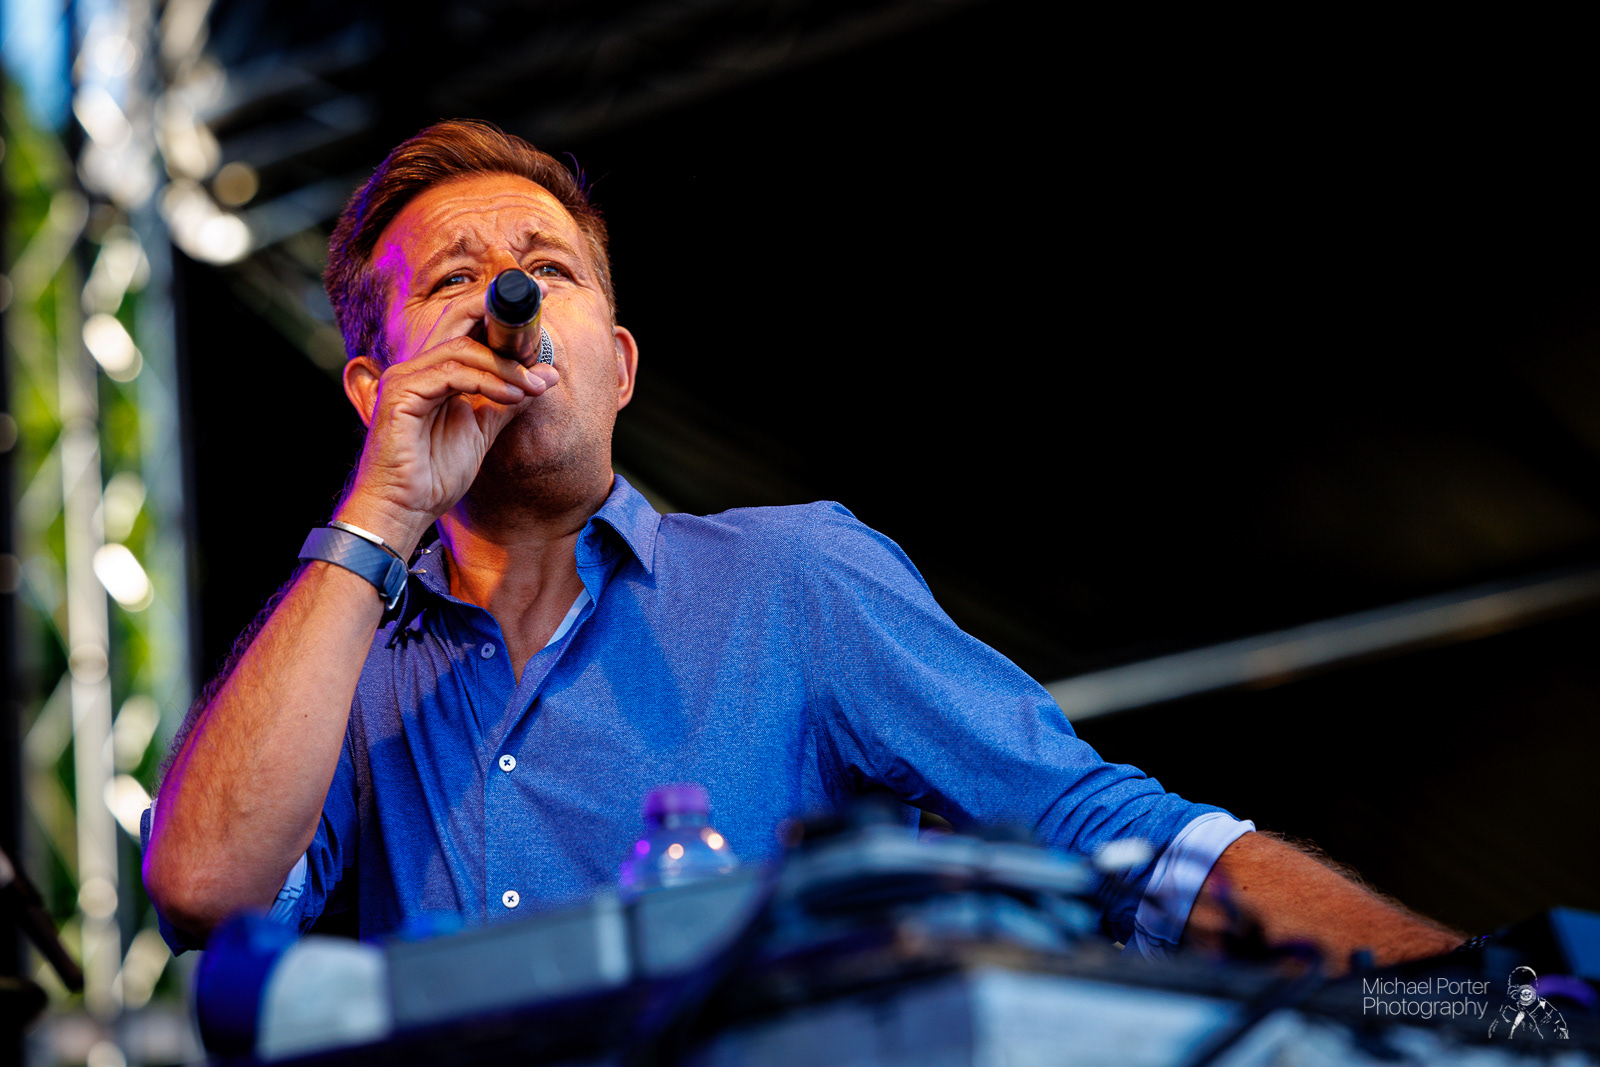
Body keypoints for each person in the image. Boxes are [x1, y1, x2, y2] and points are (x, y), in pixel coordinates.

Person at [143, 120, 1462, 970]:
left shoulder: (793, 578)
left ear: (620, 367)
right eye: (454, 280)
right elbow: (205, 889)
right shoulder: (341, 658)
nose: (510, 297)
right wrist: (378, 517)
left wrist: (1480, 1004)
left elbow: (1111, 839)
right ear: (372, 389)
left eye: (550, 268)